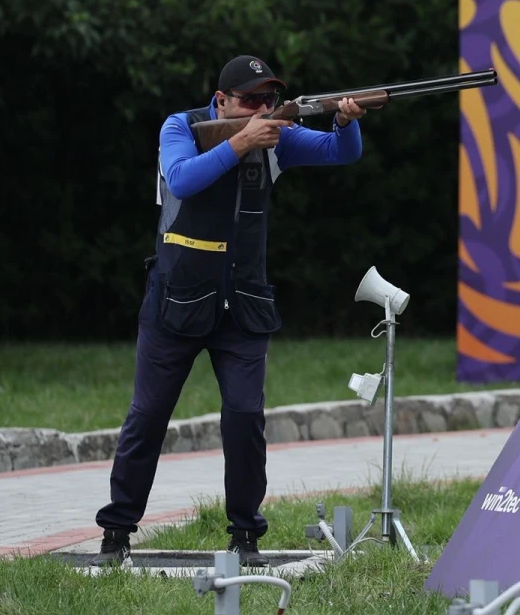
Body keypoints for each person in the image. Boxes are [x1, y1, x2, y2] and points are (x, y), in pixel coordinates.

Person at [91, 55, 366, 568]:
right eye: (251, 100)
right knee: (147, 417)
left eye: (269, 100)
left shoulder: (275, 137)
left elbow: (337, 153)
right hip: (175, 301)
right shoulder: (183, 126)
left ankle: (244, 535)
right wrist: (241, 141)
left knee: (244, 418)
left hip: (242, 305)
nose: (262, 109)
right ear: (221, 101)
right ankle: (117, 533)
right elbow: (181, 178)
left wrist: (345, 122)